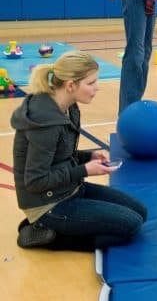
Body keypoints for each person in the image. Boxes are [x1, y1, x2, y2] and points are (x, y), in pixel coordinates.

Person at [11, 51, 147, 251]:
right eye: (91, 83)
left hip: (70, 189)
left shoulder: (69, 106)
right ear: (70, 85)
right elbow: (35, 181)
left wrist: (87, 156)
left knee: (140, 213)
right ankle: (47, 231)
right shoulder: (46, 123)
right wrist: (85, 170)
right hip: (48, 204)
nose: (96, 88)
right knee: (130, 226)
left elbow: (59, 155)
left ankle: (55, 225)